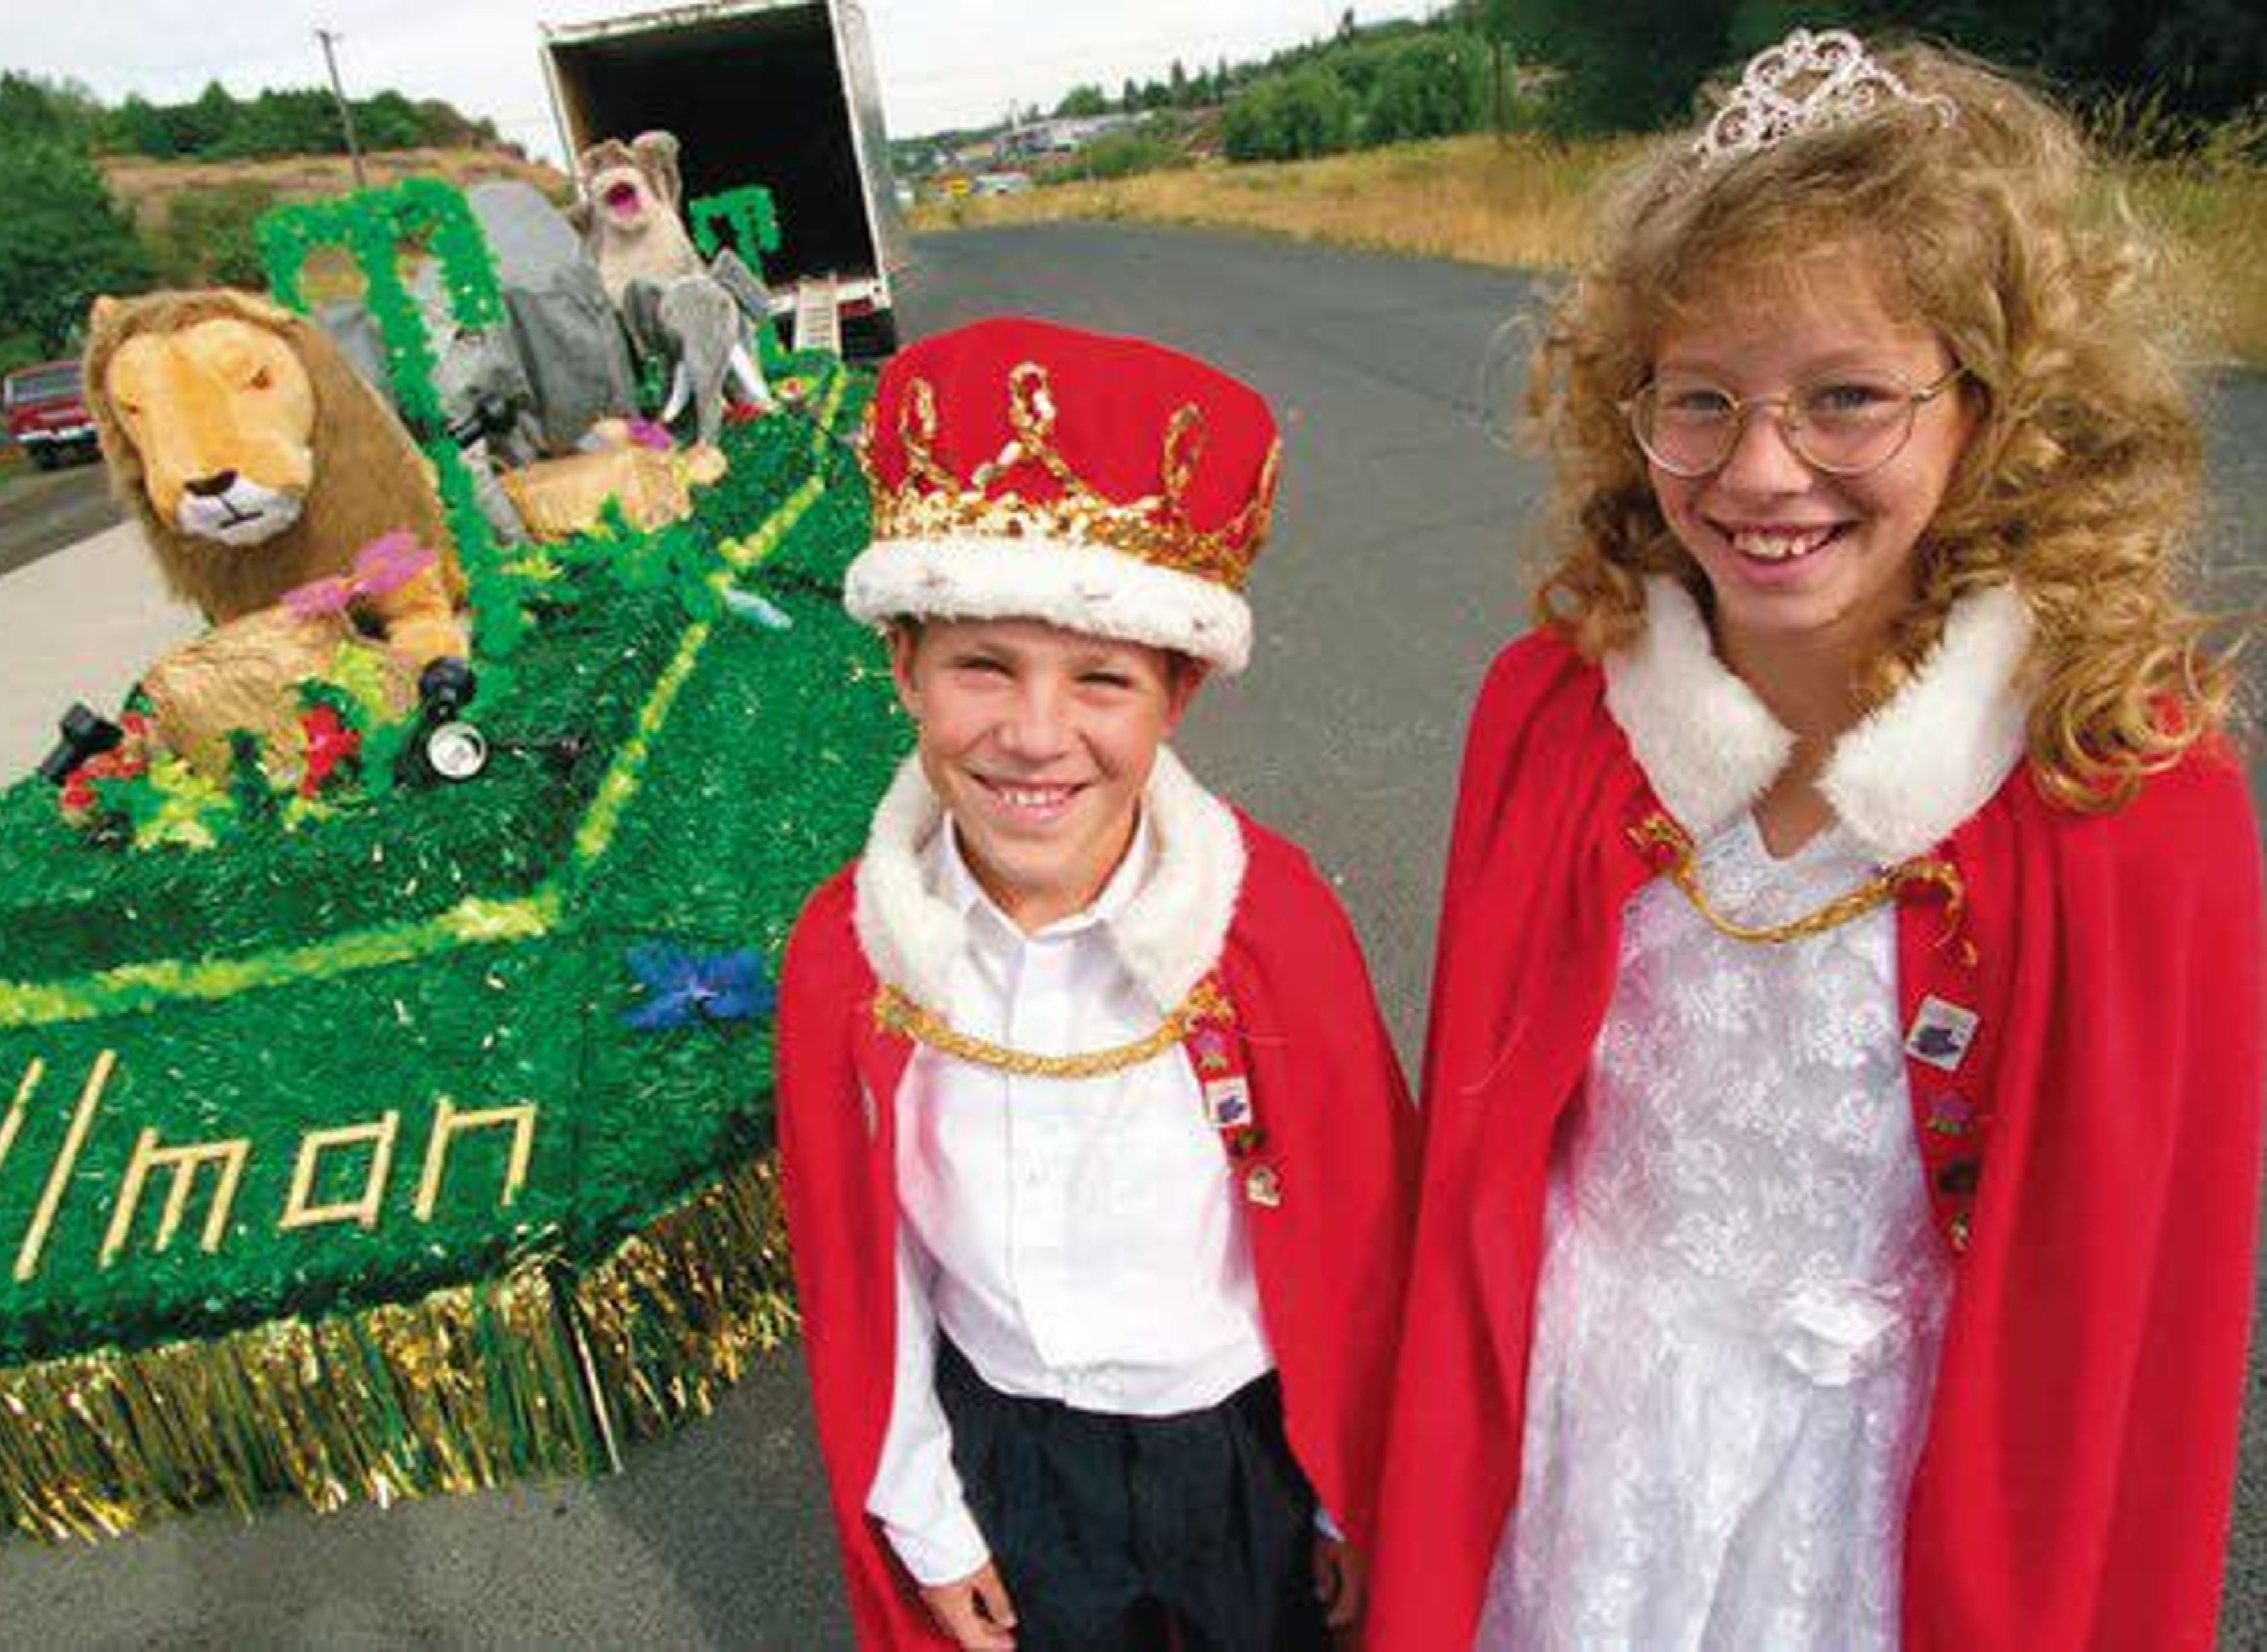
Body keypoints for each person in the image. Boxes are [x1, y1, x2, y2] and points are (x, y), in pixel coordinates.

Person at [1367, 29, 2263, 1652]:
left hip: (1878, 1494)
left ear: (1992, 407)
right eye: (1698, 401)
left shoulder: (2118, 789)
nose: (1761, 470)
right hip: (1582, 1431)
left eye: (1849, 397)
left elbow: (2145, 1308)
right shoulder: (1558, 715)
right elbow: (1481, 1164)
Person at [777, 316, 1415, 1651]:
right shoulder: (854, 951)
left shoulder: (1267, 922)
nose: (1034, 732)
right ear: (903, 664)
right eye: (980, 664)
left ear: (1176, 690)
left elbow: (1359, 1230)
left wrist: (1353, 1489)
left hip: (1244, 1445)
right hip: (1010, 1452)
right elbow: (867, 1260)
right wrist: (926, 1508)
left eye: (1102, 679)